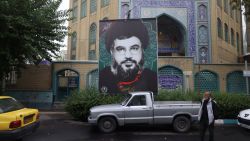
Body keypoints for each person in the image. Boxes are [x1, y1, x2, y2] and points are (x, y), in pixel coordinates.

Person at [99, 20, 157, 94]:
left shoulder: (152, 78)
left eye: (134, 48)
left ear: (142, 50)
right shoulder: (103, 77)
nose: (128, 56)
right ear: (112, 51)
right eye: (121, 49)